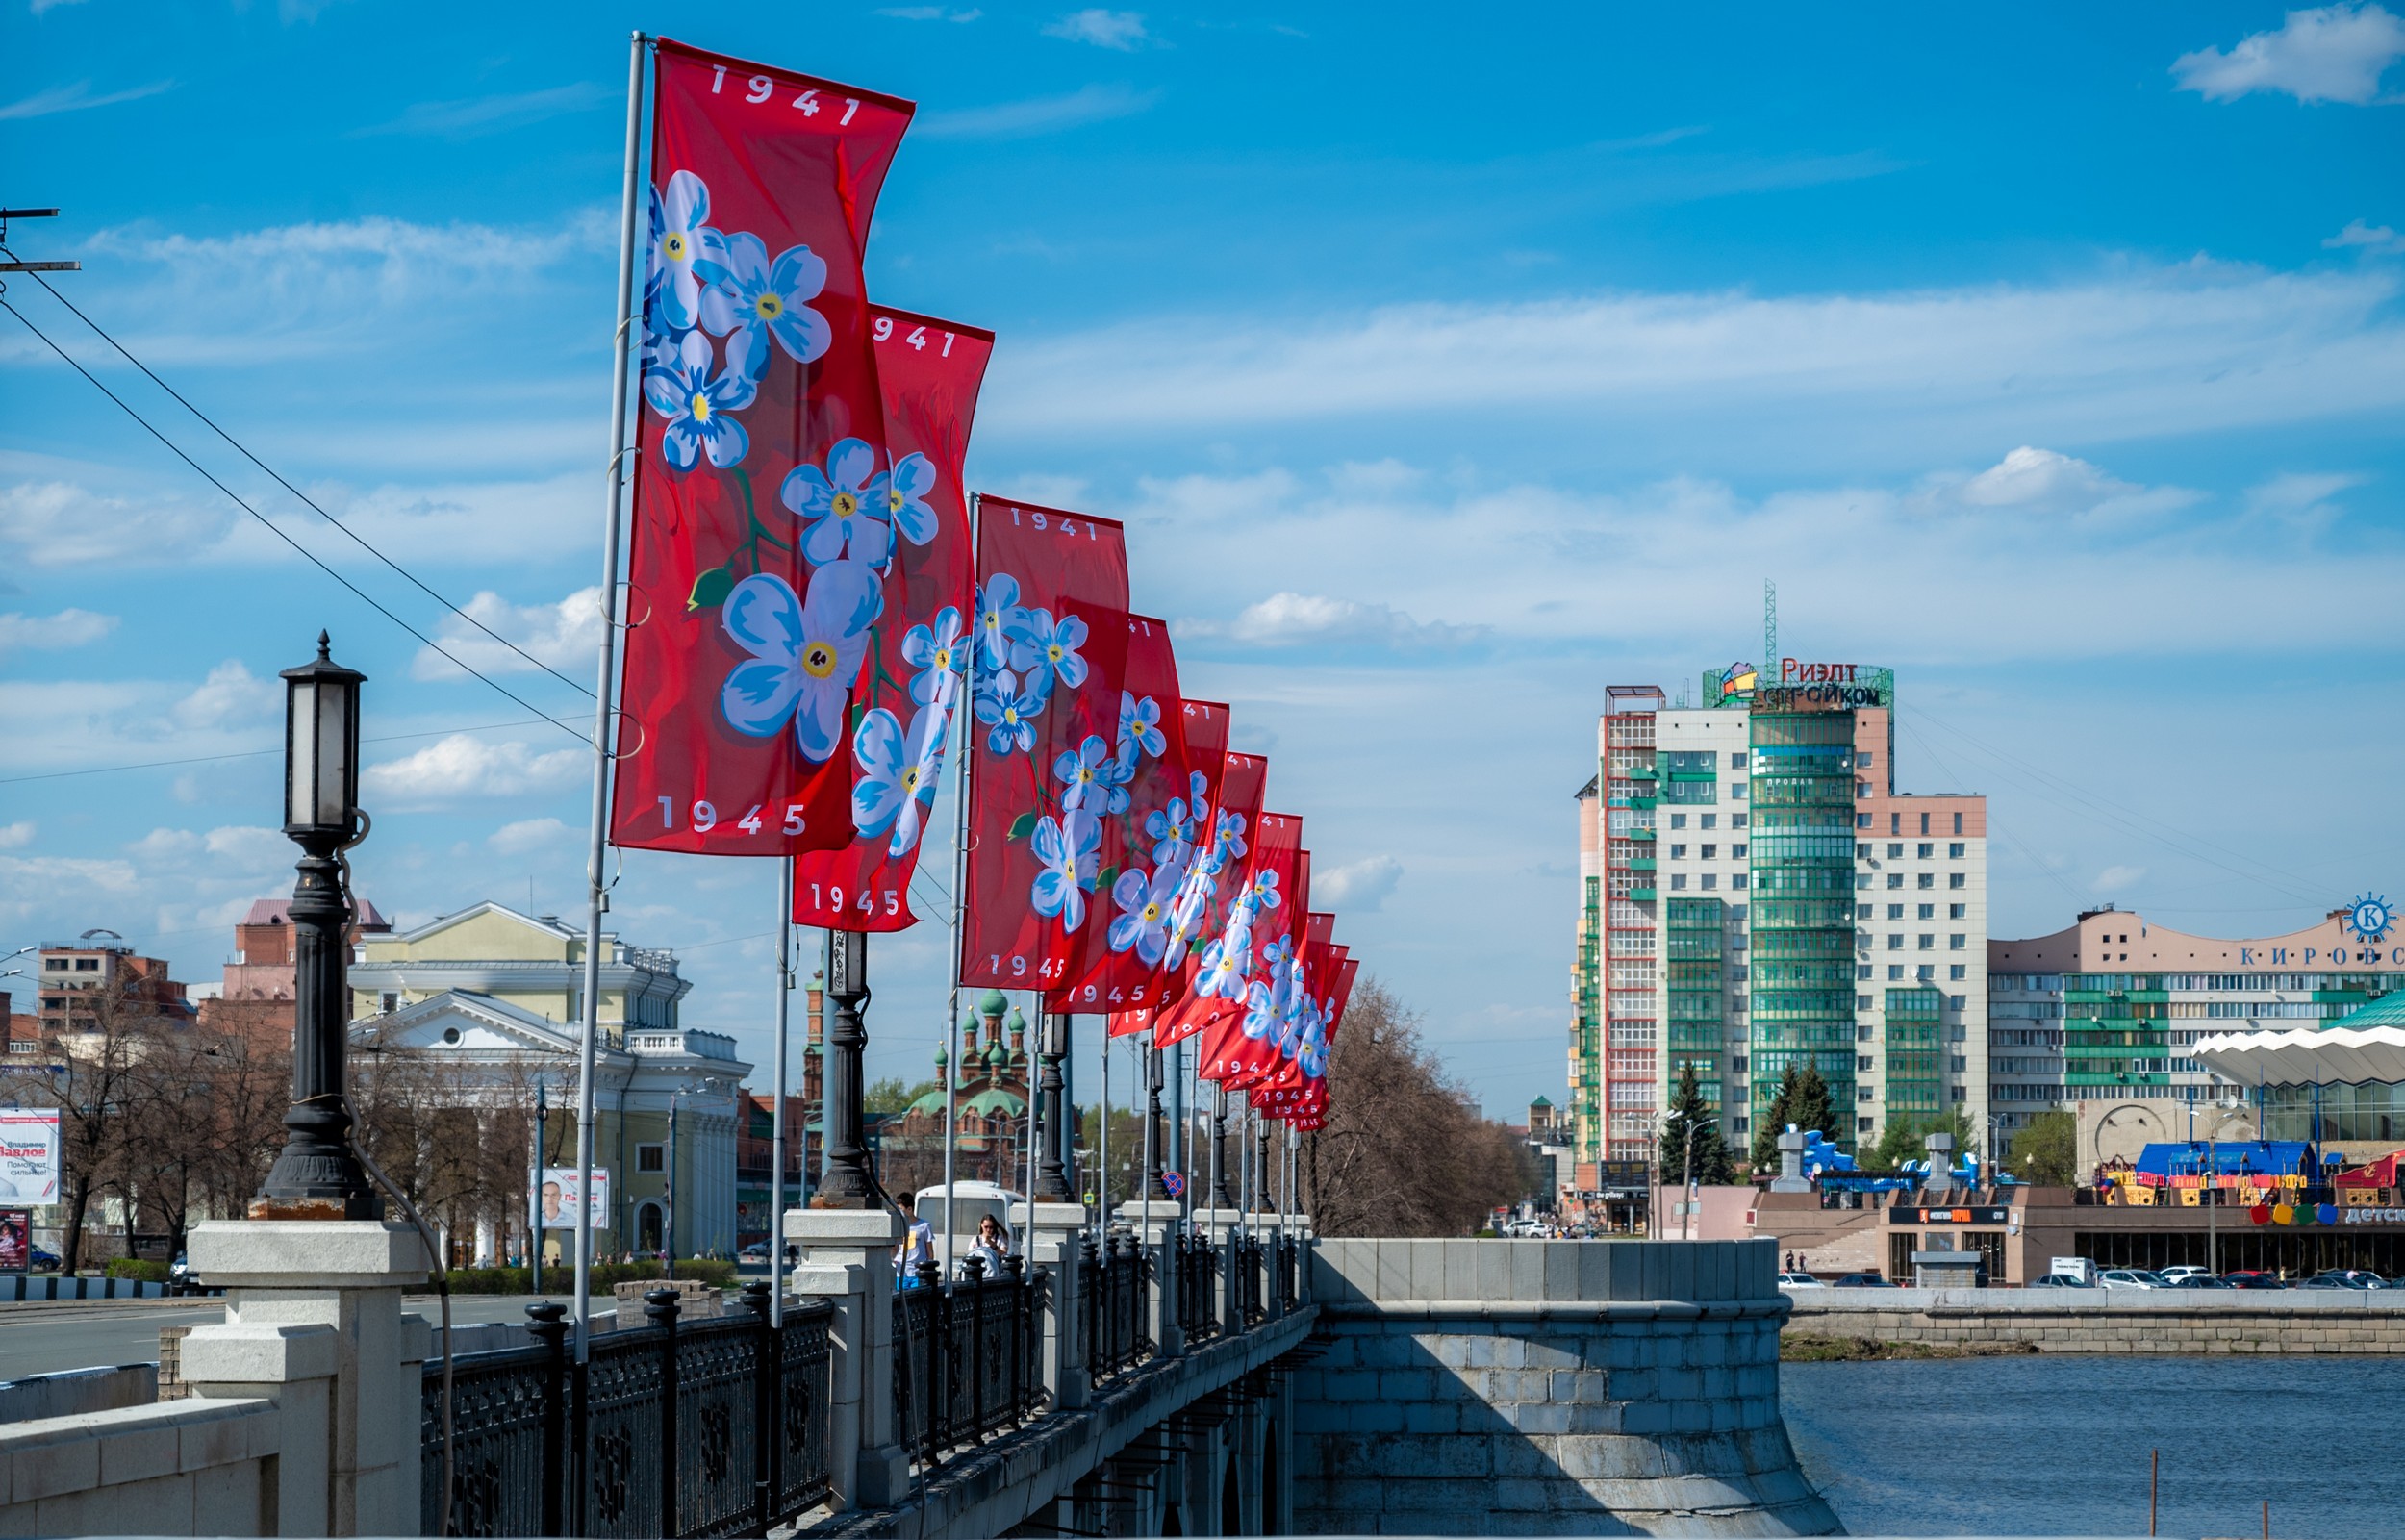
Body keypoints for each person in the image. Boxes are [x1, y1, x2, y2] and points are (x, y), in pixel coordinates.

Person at [894, 1192, 934, 1286]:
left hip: (918, 1272)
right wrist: (893, 1260)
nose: (898, 1213)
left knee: (916, 1297)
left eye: (900, 1209)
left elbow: (930, 1253)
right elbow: (894, 1248)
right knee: (901, 1298)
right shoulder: (898, 1226)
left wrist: (928, 1268)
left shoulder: (924, 1226)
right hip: (901, 1273)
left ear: (909, 1209)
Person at [964, 1213, 1012, 1280]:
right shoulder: (976, 1239)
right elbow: (970, 1254)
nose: (988, 1230)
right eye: (986, 1227)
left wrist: (993, 1245)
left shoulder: (1000, 1239)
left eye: (991, 1227)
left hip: (995, 1273)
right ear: (981, 1225)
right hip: (978, 1272)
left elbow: (1004, 1254)